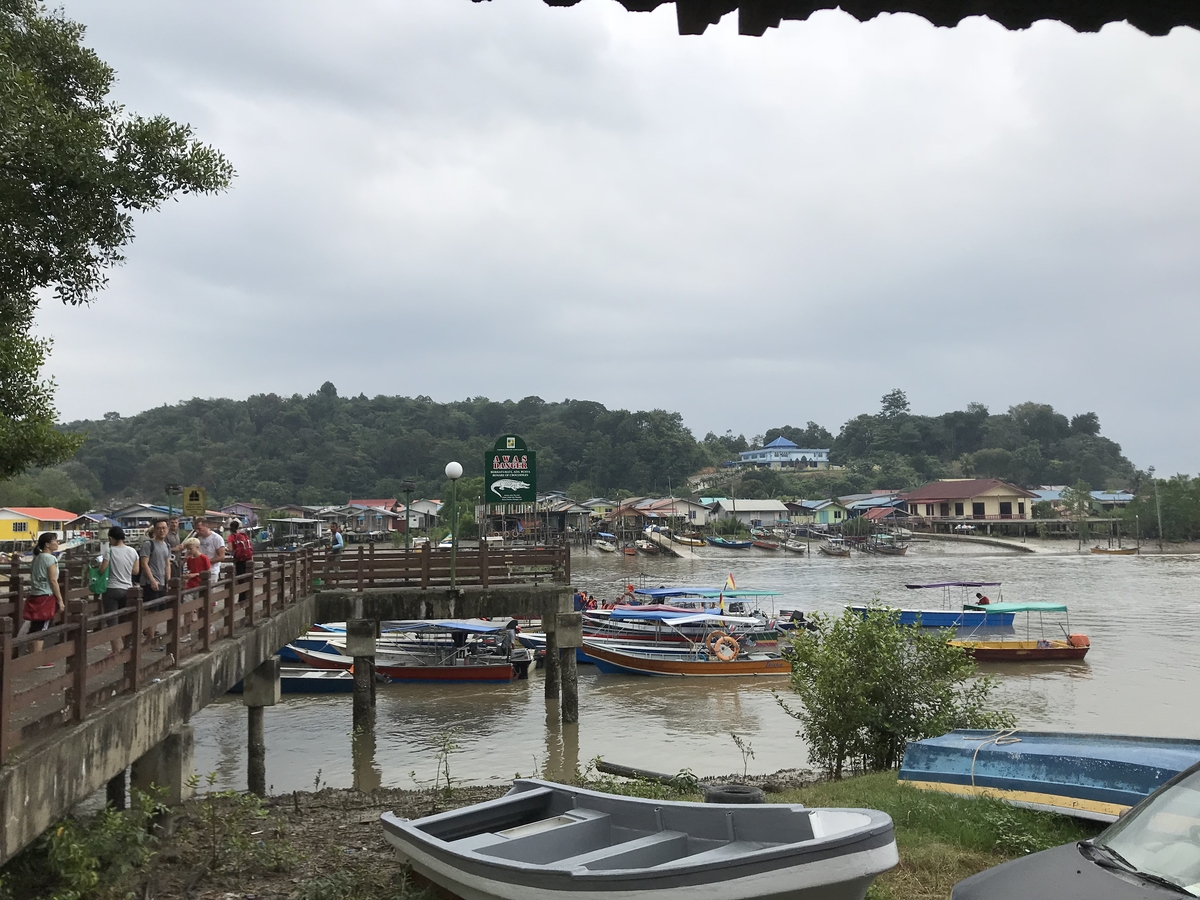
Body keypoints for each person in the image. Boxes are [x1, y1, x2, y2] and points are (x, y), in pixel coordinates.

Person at [99, 526, 141, 656]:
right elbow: (136, 571)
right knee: (125, 620)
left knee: (112, 621)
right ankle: (127, 647)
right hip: (127, 589)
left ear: (111, 538)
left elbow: (102, 570)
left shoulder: (109, 551)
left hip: (111, 589)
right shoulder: (133, 551)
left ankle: (115, 650)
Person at [25, 533, 65, 663]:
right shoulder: (50, 559)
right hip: (46, 596)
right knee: (42, 627)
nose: (57, 542)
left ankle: (33, 655)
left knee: (35, 625)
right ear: (47, 544)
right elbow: (53, 580)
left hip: (35, 594)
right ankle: (37, 658)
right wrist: (60, 600)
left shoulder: (37, 558)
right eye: (55, 540)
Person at [140, 519, 173, 602]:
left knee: (162, 610)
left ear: (167, 529)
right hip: (149, 583)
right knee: (151, 611)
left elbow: (167, 564)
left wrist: (168, 581)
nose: (161, 530)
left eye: (164, 528)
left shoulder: (167, 546)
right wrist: (152, 580)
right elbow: (144, 563)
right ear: (154, 530)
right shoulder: (148, 544)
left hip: (162, 582)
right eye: (158, 528)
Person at [192, 517, 226, 586]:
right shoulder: (196, 537)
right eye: (196, 529)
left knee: (209, 593)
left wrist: (205, 562)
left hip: (212, 570)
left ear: (206, 526)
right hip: (198, 570)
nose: (197, 531)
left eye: (199, 529)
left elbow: (221, 556)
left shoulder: (216, 538)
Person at [227, 520, 254, 600]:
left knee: (240, 579)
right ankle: (248, 597)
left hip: (239, 560)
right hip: (248, 559)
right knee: (248, 578)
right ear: (239, 527)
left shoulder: (231, 536)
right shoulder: (244, 535)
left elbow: (231, 549)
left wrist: (225, 549)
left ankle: (242, 599)